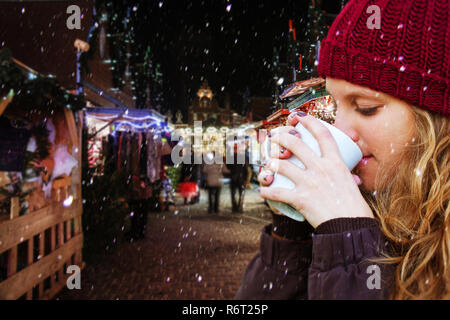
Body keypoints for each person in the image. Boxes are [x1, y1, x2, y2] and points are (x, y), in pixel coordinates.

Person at [236, 0, 449, 300]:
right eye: (334, 106)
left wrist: (351, 249)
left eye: (366, 108)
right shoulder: (377, 207)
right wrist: (293, 237)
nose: (339, 130)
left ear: (436, 120)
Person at [226, 143, 249, 213]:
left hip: (234, 178)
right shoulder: (243, 157)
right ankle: (239, 207)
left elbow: (228, 167)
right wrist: (246, 178)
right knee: (241, 193)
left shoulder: (231, 157)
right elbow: (246, 169)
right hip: (241, 178)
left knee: (233, 194)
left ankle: (234, 207)